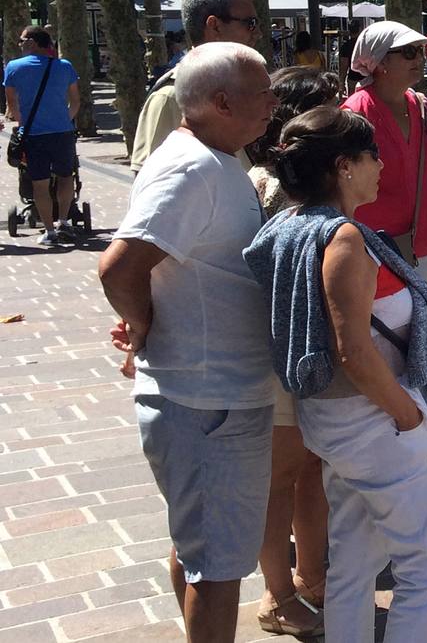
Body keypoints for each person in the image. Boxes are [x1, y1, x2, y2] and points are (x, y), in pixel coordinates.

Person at [244, 107, 427, 643]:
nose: (381, 165)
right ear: (343, 166)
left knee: (355, 562)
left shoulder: (286, 227)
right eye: (371, 155)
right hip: (372, 422)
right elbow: (353, 351)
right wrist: (407, 415)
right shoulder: (342, 240)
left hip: (331, 422)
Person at [98, 41, 279, 643]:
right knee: (219, 566)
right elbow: (119, 267)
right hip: (209, 399)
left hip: (213, 394)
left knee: (203, 548)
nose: (273, 102)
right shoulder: (192, 168)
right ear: (223, 102)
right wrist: (146, 324)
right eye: (263, 92)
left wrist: (152, 314)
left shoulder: (211, 155)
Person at [242, 67, 339, 636]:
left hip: (302, 352)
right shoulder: (267, 185)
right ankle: (278, 595)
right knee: (281, 477)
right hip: (279, 351)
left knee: (311, 471)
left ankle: (310, 578)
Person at [341, 21, 427, 283]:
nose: (419, 58)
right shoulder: (355, 113)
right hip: (372, 247)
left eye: (420, 51)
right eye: (408, 52)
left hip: (421, 243)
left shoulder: (420, 106)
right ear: (380, 61)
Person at [130, 0, 260, 174]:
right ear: (214, 26)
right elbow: (150, 181)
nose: (258, 33)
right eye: (250, 24)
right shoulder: (171, 96)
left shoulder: (253, 85)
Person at [4, 26, 81, 246]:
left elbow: (12, 105)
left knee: (40, 184)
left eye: (22, 41)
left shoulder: (13, 68)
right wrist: (64, 119)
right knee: (66, 177)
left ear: (32, 42)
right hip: (62, 133)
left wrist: (24, 125)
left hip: (34, 135)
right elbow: (76, 101)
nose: (19, 44)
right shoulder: (65, 66)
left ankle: (49, 231)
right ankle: (64, 221)